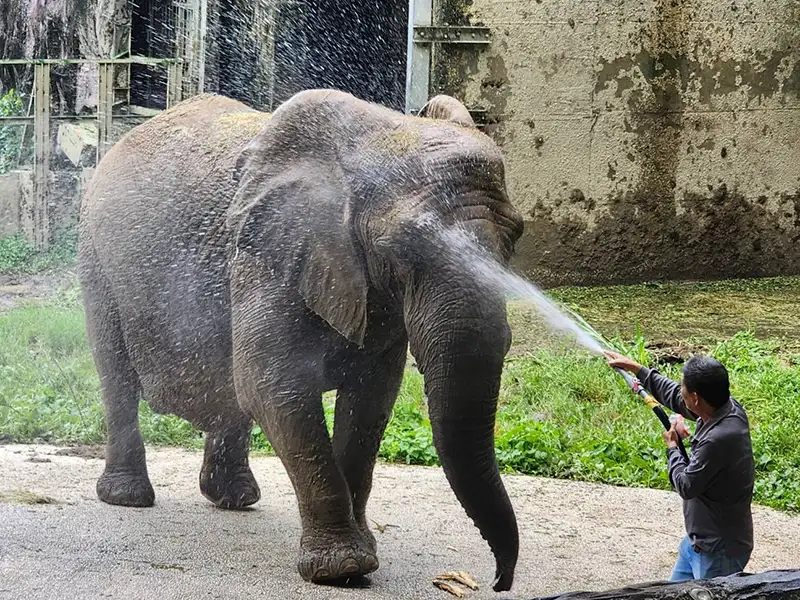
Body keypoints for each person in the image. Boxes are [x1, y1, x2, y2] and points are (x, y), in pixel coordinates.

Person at [604, 351, 754, 581]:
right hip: (698, 542)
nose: (680, 392)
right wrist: (638, 369)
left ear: (696, 398)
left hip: (718, 551)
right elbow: (676, 396)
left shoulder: (719, 437)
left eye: (684, 388)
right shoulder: (723, 407)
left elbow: (686, 485)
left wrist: (673, 447)